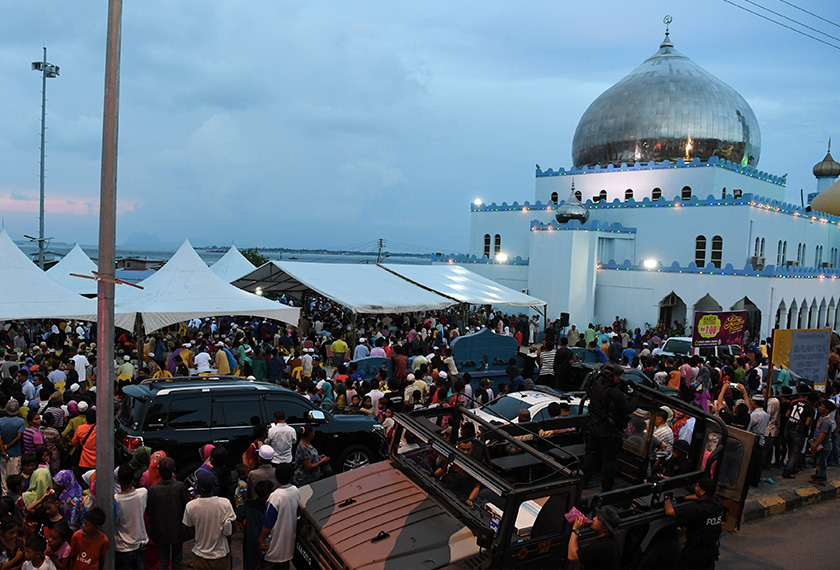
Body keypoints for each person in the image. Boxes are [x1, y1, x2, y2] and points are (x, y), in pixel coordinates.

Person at [582, 362, 640, 492]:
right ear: (611, 376)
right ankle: (606, 489)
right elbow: (628, 408)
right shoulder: (614, 392)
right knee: (609, 461)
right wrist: (636, 395)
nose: (619, 379)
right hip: (608, 432)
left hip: (594, 426)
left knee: (591, 455)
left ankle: (584, 481)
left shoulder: (597, 384)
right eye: (617, 376)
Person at [664, 477, 725, 570]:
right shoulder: (718, 503)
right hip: (710, 551)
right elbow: (699, 498)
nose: (695, 488)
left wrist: (667, 498)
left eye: (697, 487)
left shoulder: (697, 509)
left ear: (702, 492)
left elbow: (670, 512)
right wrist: (685, 497)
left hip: (695, 553)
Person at [182, 469, 236, 569]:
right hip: (221, 555)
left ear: (197, 487)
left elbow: (190, 529)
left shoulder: (191, 506)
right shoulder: (225, 504)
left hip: (200, 555)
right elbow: (233, 528)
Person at [146, 457, 188, 570]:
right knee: (176, 559)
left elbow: (149, 511)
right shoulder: (179, 487)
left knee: (163, 559)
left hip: (160, 531)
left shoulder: (153, 490)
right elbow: (186, 506)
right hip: (177, 529)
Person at [258, 464, 300, 570]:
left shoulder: (275, 496)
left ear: (275, 477)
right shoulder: (295, 491)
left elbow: (268, 523)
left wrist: (261, 540)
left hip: (273, 548)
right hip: (287, 547)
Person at [113, 464, 148, 569]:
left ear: (118, 481)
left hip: (122, 547)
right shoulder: (143, 493)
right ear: (134, 478)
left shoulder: (116, 500)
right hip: (140, 545)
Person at [0, 399, 26, 494]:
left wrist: (3, 449)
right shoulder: (21, 421)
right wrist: (8, 446)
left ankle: (4, 496)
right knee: (14, 477)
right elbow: (18, 437)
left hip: (3, 454)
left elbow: (0, 437)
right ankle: (14, 497)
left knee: (3, 476)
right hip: (15, 453)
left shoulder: (1, 421)